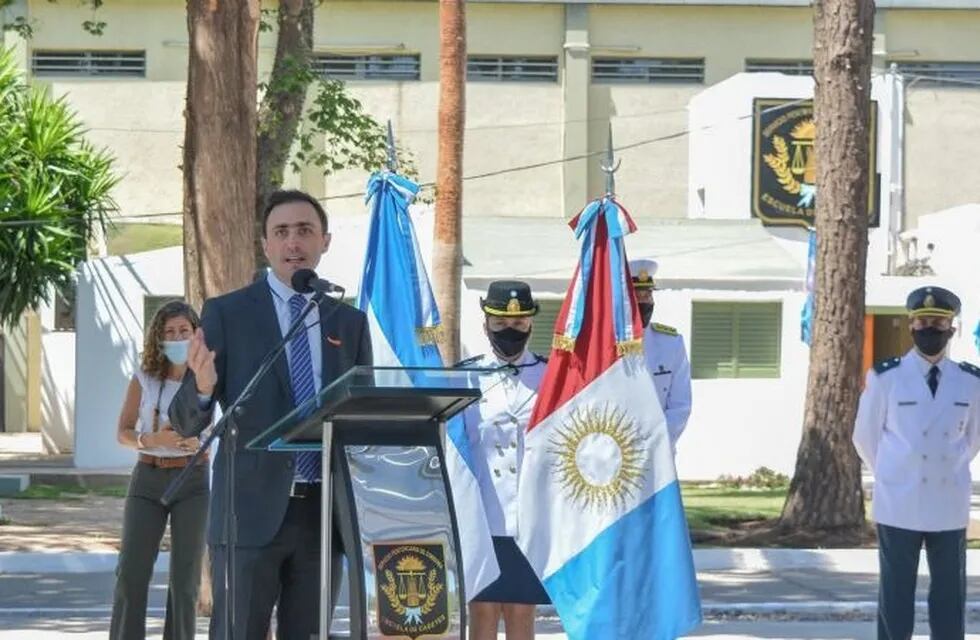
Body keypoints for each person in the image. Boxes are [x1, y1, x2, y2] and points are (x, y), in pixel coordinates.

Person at [169, 189, 373, 639]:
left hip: (323, 515)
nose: (293, 243)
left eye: (304, 231)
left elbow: (363, 415)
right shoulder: (229, 313)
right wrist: (203, 389)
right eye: (281, 233)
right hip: (248, 511)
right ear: (265, 245)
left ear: (325, 241)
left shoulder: (348, 322)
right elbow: (185, 421)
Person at [853, 285, 980, 640]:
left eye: (939, 324)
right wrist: (895, 472)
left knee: (949, 596)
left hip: (948, 500)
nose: (931, 330)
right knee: (895, 594)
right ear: (910, 325)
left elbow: (973, 439)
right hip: (899, 501)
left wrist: (943, 469)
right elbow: (864, 437)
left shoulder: (970, 381)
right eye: (923, 322)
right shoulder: (885, 377)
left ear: (952, 328)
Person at [110, 300, 209, 640]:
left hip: (192, 479)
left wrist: (198, 443)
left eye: (184, 330)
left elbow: (223, 426)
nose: (177, 337)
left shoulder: (206, 377)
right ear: (158, 338)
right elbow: (122, 432)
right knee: (130, 573)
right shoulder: (145, 377)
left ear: (196, 334)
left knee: (186, 579)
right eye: (169, 332)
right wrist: (148, 438)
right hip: (148, 477)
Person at [463, 280, 550, 640]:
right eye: (500, 323)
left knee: (521, 615)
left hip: (530, 517)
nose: (509, 331)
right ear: (486, 325)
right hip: (482, 515)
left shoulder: (551, 375)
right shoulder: (464, 376)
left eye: (518, 323)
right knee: (481, 615)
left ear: (530, 323)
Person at [629, 258, 692, 449]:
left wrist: (656, 444)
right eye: (637, 296)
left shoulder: (671, 343)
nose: (644, 301)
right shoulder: (604, 345)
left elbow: (680, 405)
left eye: (647, 295)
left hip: (659, 453)